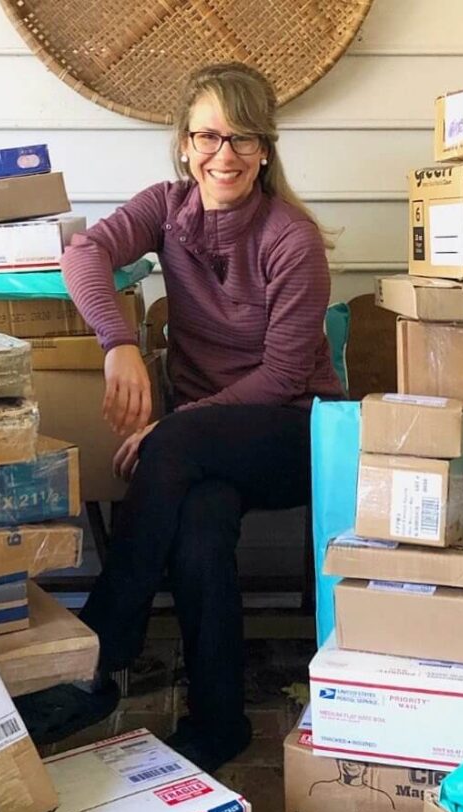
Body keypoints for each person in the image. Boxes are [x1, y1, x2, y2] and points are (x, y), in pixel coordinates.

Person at [59, 62, 344, 772]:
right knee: (200, 521)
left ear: (267, 151)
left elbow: (281, 376)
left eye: (244, 138)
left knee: (179, 445)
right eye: (210, 136)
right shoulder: (167, 208)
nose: (225, 154)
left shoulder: (293, 240)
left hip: (294, 431)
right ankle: (220, 721)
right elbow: (85, 252)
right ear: (184, 145)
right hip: (203, 445)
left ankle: (106, 640)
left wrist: (173, 428)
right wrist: (119, 344)